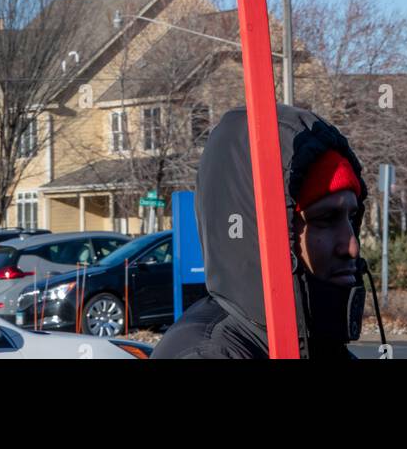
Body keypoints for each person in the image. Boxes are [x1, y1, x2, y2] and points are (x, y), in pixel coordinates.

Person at [151, 103, 382, 359]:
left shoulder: (318, 342)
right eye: (325, 219)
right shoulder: (210, 354)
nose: (351, 246)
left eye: (351, 218)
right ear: (261, 234)